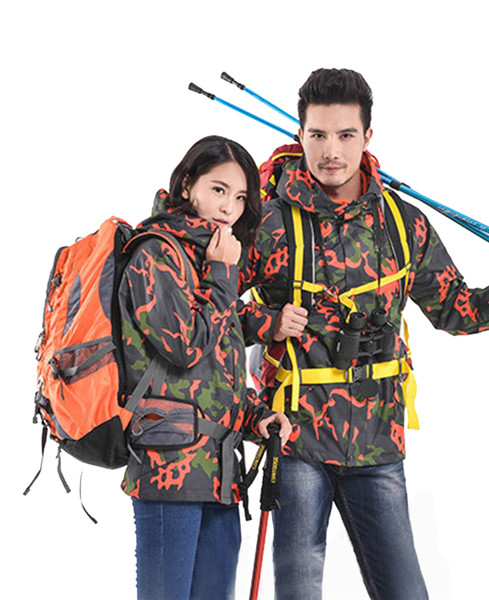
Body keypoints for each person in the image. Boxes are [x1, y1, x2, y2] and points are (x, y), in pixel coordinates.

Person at [240, 69, 489, 600]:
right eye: (317, 134)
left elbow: (455, 308)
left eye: (345, 135)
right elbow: (209, 314)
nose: (330, 151)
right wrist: (266, 323)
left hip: (378, 443)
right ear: (299, 135)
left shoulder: (401, 223)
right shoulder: (267, 224)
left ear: (367, 137)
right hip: (296, 438)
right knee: (298, 591)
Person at [118, 135, 291, 600]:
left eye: (241, 197)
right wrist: (223, 275)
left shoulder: (211, 259)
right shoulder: (156, 253)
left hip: (220, 474)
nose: (229, 207)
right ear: (187, 185)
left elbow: (218, 371)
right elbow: (183, 347)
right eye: (218, 189)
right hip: (169, 469)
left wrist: (256, 418)